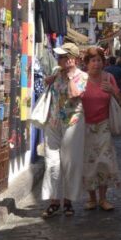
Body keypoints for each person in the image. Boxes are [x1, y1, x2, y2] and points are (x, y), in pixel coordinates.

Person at [41, 42, 88, 219]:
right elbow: (47, 86)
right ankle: (53, 201)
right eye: (59, 57)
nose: (59, 59)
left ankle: (68, 201)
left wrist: (68, 76)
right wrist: (51, 79)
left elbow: (75, 94)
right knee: (52, 162)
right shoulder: (56, 73)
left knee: (70, 163)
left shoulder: (83, 77)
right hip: (53, 122)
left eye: (62, 57)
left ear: (72, 60)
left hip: (73, 123)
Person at [81, 47, 121, 211]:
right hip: (85, 126)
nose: (96, 64)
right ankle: (91, 198)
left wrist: (113, 91)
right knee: (89, 162)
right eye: (93, 60)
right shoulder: (81, 79)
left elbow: (120, 100)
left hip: (104, 126)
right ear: (87, 63)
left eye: (99, 60)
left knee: (104, 162)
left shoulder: (109, 78)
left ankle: (103, 198)